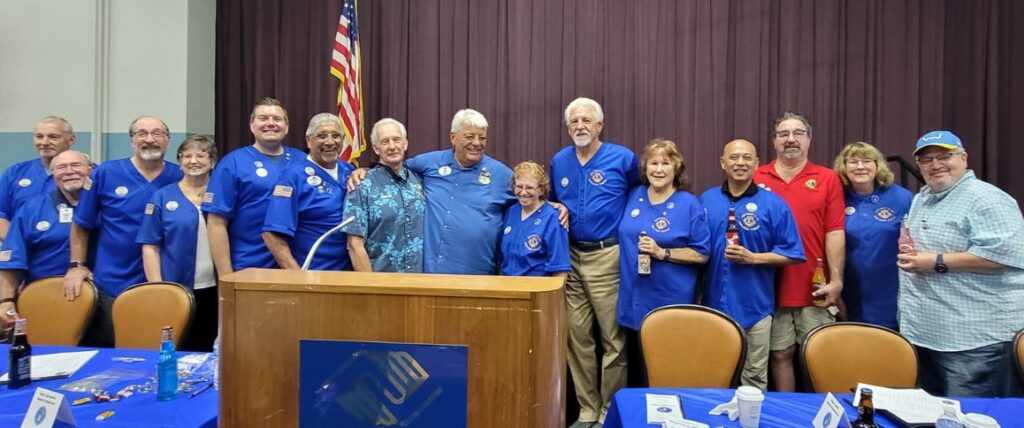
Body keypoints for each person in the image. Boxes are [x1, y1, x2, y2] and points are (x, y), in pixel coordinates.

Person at [897, 130, 1024, 398]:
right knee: (932, 413)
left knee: (973, 416)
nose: (935, 165)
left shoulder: (987, 199)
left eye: (944, 156)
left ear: (963, 157)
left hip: (974, 339)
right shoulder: (922, 198)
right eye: (926, 159)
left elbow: (1004, 256)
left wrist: (937, 262)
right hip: (928, 334)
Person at [550, 97, 639, 428]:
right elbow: (555, 204)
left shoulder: (623, 158)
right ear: (567, 127)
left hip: (608, 256)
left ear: (600, 125)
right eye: (574, 122)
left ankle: (608, 413)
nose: (580, 127)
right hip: (570, 258)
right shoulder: (559, 161)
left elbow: (640, 195)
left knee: (612, 340)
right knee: (578, 338)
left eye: (587, 121)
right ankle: (587, 409)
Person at [65, 116, 183, 347]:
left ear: (168, 141)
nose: (150, 139)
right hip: (114, 281)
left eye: (157, 133)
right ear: (132, 141)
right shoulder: (106, 173)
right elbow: (81, 224)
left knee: (162, 349)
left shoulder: (180, 176)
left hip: (166, 280)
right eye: (142, 134)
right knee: (117, 351)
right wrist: (77, 265)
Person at [700, 139, 805, 390]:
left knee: (755, 377)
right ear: (723, 163)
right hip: (713, 306)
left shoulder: (774, 204)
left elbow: (794, 254)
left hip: (755, 308)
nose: (740, 163)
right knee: (715, 372)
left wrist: (754, 258)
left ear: (756, 164)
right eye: (734, 158)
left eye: (747, 158)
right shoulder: (706, 200)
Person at [752, 112, 845, 392]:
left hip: (814, 284)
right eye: (783, 134)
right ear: (774, 141)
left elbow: (835, 231)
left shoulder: (827, 179)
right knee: (780, 354)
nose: (790, 139)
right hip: (769, 284)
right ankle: (787, 417)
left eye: (798, 133)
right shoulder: (756, 176)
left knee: (819, 357)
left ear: (809, 139)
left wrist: (837, 280)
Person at [618, 139, 710, 381]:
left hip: (670, 298)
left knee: (669, 367)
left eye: (665, 164)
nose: (658, 169)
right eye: (653, 163)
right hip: (634, 296)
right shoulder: (634, 195)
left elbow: (702, 253)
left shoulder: (689, 204)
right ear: (644, 168)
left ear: (676, 168)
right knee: (638, 367)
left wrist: (663, 253)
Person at [405, 109, 515, 274]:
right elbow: (394, 170)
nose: (477, 143)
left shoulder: (502, 174)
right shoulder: (429, 162)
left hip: (479, 275)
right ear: (452, 137)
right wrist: (364, 172)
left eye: (482, 137)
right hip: (432, 273)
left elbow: (531, 198)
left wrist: (555, 207)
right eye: (470, 136)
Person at [203, 98, 305, 274]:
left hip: (297, 265)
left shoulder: (302, 161)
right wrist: (226, 277)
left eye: (277, 119)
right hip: (249, 266)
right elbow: (215, 223)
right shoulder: (232, 163)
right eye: (263, 118)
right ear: (252, 125)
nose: (270, 123)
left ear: (287, 127)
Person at [136, 135, 218, 351]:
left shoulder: (222, 193)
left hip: (214, 287)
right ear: (179, 161)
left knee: (209, 345)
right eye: (187, 156)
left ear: (212, 162)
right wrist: (157, 287)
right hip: (175, 287)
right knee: (176, 345)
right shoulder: (162, 197)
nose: (193, 161)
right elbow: (150, 245)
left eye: (201, 155)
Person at [0, 150, 92, 319]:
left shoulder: (109, 206)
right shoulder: (31, 210)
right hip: (44, 300)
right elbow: (11, 261)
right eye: (61, 167)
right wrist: (6, 301)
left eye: (76, 165)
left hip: (101, 299)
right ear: (53, 175)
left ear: (91, 170)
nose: (69, 171)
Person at [832, 142, 912, 330]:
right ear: (843, 167)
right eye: (853, 162)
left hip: (891, 289)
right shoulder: (836, 197)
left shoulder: (902, 198)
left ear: (878, 166)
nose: (860, 166)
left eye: (867, 161)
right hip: (849, 289)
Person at [263, 113, 355, 271]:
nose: (330, 142)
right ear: (309, 140)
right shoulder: (292, 177)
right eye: (322, 136)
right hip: (314, 273)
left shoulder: (349, 170)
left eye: (336, 136)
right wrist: (297, 277)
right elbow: (271, 235)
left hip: (349, 273)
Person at [342, 118, 426, 273]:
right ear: (376, 148)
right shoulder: (361, 185)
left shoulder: (419, 181)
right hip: (382, 281)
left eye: (396, 140)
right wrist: (371, 287)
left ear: (405, 144)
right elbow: (354, 244)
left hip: (419, 282)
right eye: (385, 141)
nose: (392, 146)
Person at [0, 116, 76, 243]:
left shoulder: (88, 174)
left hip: (67, 253)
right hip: (21, 254)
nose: (45, 142)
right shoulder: (15, 173)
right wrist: (17, 245)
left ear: (71, 139)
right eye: (39, 136)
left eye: (53, 137)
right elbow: (1, 215)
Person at [500, 161, 570, 277]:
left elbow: (560, 269)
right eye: (519, 186)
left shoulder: (553, 218)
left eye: (529, 188)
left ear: (541, 190)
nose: (523, 192)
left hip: (537, 289)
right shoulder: (511, 212)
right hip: (507, 285)